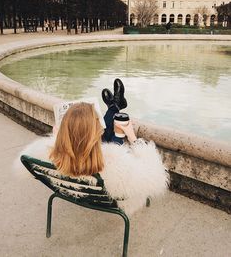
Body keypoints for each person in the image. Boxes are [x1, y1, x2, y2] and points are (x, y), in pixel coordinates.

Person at [20, 79, 169, 215]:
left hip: (73, 187)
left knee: (104, 134)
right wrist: (133, 138)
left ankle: (115, 106)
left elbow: (25, 159)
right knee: (108, 136)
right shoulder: (119, 166)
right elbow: (156, 177)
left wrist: (56, 138)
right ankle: (115, 107)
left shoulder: (44, 154)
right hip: (116, 198)